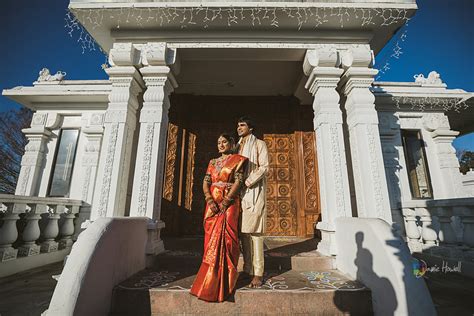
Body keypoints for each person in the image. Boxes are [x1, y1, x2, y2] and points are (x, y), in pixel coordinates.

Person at [190, 133, 248, 302]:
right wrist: (210, 199)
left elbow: (238, 181)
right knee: (210, 241)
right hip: (212, 203)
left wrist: (226, 201)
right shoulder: (212, 162)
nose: (221, 145)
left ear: (231, 143)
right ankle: (208, 281)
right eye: (218, 142)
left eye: (224, 142)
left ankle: (226, 281)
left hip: (229, 203)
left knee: (229, 239)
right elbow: (205, 182)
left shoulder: (238, 160)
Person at [236, 116, 269, 288]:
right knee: (244, 234)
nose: (239, 128)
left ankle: (258, 273)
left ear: (251, 128)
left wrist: (248, 181)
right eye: (238, 125)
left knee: (256, 233)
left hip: (254, 191)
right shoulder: (237, 146)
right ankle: (247, 268)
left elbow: (264, 167)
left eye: (242, 125)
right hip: (239, 193)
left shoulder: (259, 144)